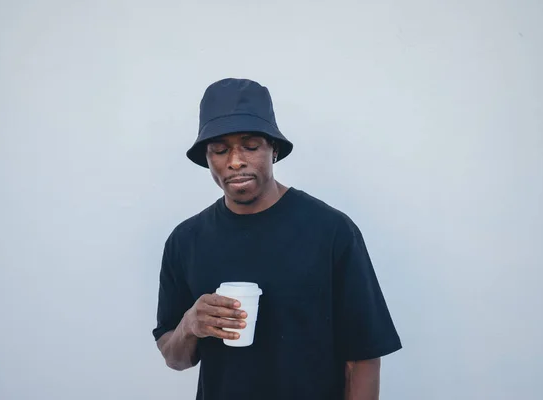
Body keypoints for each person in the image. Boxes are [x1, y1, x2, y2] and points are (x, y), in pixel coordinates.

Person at [153, 78, 402, 400]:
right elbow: (175, 359)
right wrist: (190, 325)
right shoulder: (185, 240)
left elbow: (364, 358)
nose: (235, 161)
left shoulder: (330, 231)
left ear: (275, 150)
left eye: (251, 146)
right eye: (219, 149)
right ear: (207, 157)